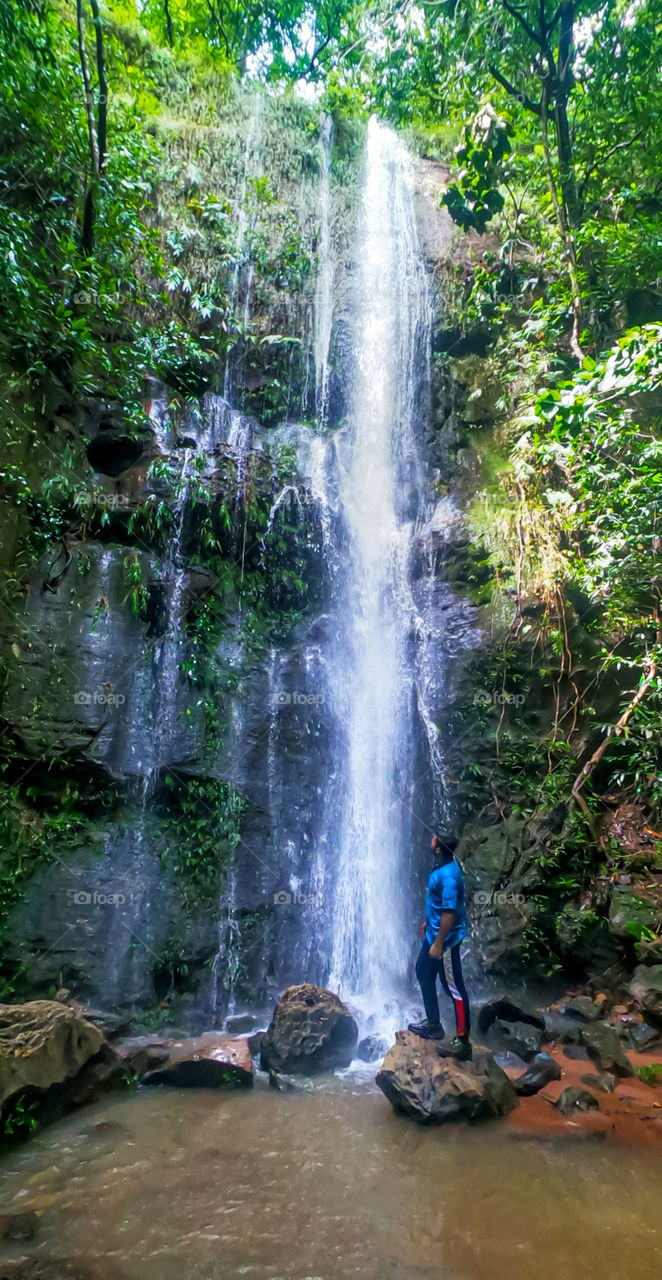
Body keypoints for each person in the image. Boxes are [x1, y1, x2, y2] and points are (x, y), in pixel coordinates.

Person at [408, 834, 472, 1058]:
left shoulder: (449, 877)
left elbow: (449, 913)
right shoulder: (444, 865)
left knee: (454, 988)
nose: (431, 839)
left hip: (444, 941)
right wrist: (428, 922)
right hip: (434, 934)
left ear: (438, 849)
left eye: (434, 840)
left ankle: (463, 1042)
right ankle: (434, 1025)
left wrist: (438, 943)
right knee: (423, 972)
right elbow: (439, 906)